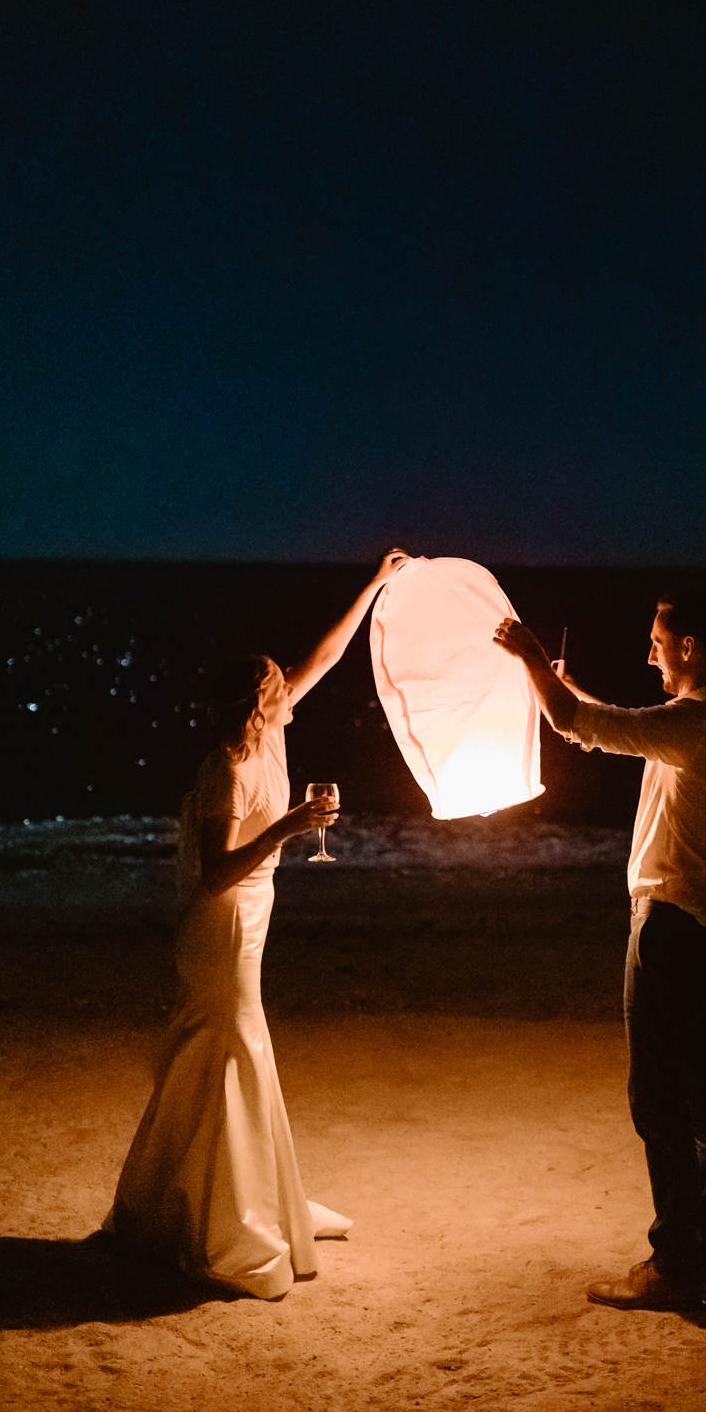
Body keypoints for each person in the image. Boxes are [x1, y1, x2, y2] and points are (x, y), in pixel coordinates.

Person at [106, 548, 409, 1299]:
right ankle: (228, 1221)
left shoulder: (271, 737)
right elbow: (214, 873)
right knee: (235, 1047)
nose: (290, 687)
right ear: (260, 702)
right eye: (279, 685)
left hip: (254, 913)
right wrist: (292, 827)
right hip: (223, 926)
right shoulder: (229, 770)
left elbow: (325, 657)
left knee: (229, 1052)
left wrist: (375, 582)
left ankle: (212, 1199)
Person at [494, 591, 706, 1312]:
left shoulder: (695, 724)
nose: (649, 652)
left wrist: (526, 657)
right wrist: (560, 681)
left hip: (670, 927)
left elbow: (576, 722)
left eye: (657, 640)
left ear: (690, 647)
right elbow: (607, 724)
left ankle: (672, 1264)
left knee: (658, 1101)